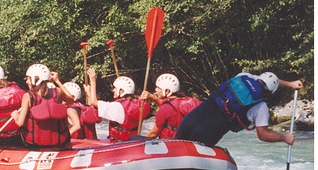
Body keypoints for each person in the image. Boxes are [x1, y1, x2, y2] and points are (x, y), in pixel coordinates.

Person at [174, 72, 303, 147]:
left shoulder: (244, 76)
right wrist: (284, 138)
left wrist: (290, 84)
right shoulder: (261, 107)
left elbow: (268, 80)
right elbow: (263, 135)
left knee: (175, 145)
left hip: (190, 120)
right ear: (270, 94)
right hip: (208, 132)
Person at [11, 64, 75, 149]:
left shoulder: (28, 97)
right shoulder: (58, 92)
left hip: (34, 145)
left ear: (36, 79)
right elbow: (71, 99)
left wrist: (15, 115)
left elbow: (20, 122)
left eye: (28, 79)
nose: (26, 81)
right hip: (59, 143)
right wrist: (58, 81)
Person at [86, 68, 151, 142]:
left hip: (118, 144)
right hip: (131, 143)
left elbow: (94, 102)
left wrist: (93, 81)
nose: (113, 90)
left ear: (121, 91)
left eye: (115, 88)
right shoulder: (139, 104)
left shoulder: (117, 106)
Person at [140, 73, 201, 139]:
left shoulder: (165, 108)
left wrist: (139, 142)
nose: (155, 89)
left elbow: (153, 133)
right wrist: (152, 97)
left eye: (158, 88)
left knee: (133, 137)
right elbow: (169, 107)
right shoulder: (184, 100)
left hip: (169, 144)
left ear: (167, 91)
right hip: (187, 142)